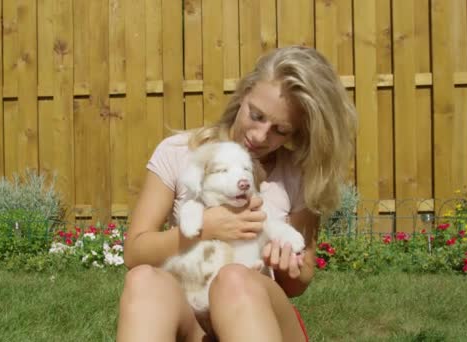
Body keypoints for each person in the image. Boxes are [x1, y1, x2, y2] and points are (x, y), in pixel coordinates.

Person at [116, 45, 357, 342]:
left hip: (254, 315)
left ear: (298, 133)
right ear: (244, 94)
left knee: (234, 280)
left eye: (280, 130)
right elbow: (135, 253)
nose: (259, 136)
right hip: (191, 314)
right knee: (143, 280)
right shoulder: (179, 153)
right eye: (256, 115)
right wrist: (205, 229)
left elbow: (299, 282)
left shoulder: (297, 175)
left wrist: (287, 267)